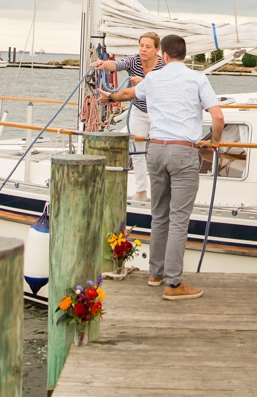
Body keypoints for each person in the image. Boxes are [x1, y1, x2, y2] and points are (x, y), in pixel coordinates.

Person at [98, 33, 222, 300]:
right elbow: (217, 115)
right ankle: (174, 284)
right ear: (183, 55)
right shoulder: (197, 78)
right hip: (183, 152)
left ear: (163, 56)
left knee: (159, 214)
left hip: (156, 149)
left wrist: (108, 98)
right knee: (179, 218)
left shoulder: (153, 77)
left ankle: (156, 274)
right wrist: (217, 141)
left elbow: (130, 93)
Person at [93, 31, 163, 198]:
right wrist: (104, 64)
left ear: (157, 49)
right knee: (137, 152)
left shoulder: (163, 65)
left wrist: (145, 82)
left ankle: (159, 191)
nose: (143, 50)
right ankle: (141, 191)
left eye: (148, 47)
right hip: (138, 111)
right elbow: (117, 65)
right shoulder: (134, 60)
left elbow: (166, 87)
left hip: (158, 112)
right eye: (141, 46)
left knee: (158, 153)